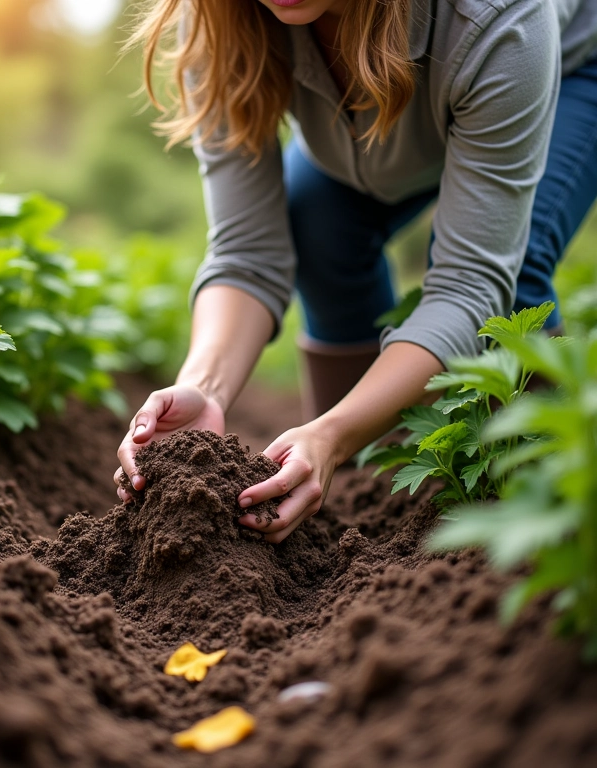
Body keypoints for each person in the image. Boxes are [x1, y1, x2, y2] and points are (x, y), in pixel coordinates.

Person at [115, 0, 597, 543]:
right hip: (380, 118)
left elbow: (469, 283)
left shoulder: (501, 16)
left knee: (512, 293)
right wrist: (203, 387)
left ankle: (533, 517)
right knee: (318, 226)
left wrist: (334, 433)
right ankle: (363, 500)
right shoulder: (219, 16)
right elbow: (246, 253)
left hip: (562, 67)